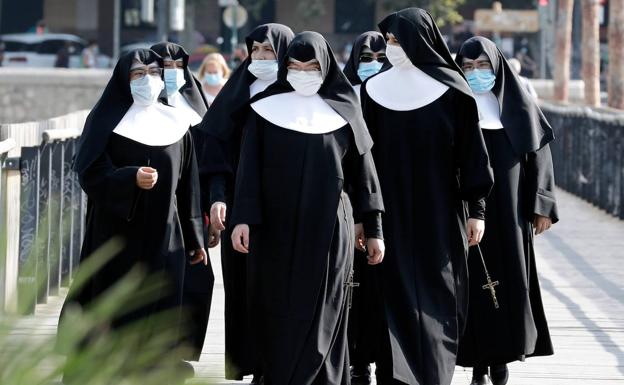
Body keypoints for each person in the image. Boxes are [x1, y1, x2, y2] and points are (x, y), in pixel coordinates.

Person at [229, 31, 386, 385]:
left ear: (325, 67)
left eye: (311, 66)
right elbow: (248, 170)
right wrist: (243, 219)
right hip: (274, 230)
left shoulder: (346, 111)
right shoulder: (264, 109)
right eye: (294, 65)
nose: (302, 72)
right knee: (277, 306)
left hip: (330, 229)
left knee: (326, 306)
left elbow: (364, 175)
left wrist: (372, 227)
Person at [360, 8, 494, 385]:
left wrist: (477, 209)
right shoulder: (372, 91)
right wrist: (364, 215)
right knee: (392, 295)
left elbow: (472, 156)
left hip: (440, 212)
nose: (392, 49)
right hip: (388, 213)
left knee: (440, 294)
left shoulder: (454, 92)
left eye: (399, 41)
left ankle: (435, 373)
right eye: (388, 41)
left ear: (420, 42)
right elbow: (362, 159)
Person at [58, 48, 206, 383]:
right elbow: (89, 172)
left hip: (167, 234)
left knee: (161, 304)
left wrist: (195, 236)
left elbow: (189, 184)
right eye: (138, 74)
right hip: (115, 236)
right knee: (113, 306)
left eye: (154, 73)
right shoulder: (107, 121)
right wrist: (129, 178)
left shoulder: (177, 124)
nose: (147, 81)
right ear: (123, 79)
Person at [455, 36, 558, 385]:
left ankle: (501, 361)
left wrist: (541, 206)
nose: (475, 72)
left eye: (482, 65)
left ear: (497, 66)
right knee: (469, 283)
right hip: (467, 210)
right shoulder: (456, 104)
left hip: (511, 212)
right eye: (467, 67)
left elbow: (538, 158)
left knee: (510, 281)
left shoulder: (518, 105)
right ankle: (476, 364)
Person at [198, 23, 294, 383]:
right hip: (241, 206)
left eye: (269, 51)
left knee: (280, 288)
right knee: (245, 288)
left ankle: (280, 363)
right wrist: (218, 198)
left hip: (286, 206)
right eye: (255, 51)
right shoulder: (237, 94)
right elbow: (215, 153)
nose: (262, 59)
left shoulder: (298, 94)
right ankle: (251, 363)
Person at [150, 41, 218, 367]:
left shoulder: (196, 102)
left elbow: (210, 158)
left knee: (198, 278)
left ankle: (181, 352)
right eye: (164, 65)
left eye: (178, 66)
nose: (171, 72)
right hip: (159, 206)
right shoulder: (144, 105)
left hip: (194, 207)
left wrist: (209, 211)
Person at [341, 30, 387, 385]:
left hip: (392, 210)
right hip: (351, 206)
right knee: (355, 288)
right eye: (365, 59)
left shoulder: (400, 98)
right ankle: (357, 360)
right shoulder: (342, 99)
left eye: (379, 58)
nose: (372, 65)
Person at [342, 31, 386, 97]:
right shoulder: (342, 97)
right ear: (355, 59)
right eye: (366, 58)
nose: (374, 63)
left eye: (382, 58)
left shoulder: (397, 96)